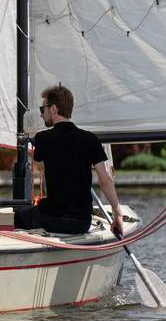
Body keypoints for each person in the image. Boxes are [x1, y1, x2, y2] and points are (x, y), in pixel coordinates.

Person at [14, 85, 124, 235]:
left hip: (52, 219)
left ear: (53, 109)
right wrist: (117, 213)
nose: (41, 114)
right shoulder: (90, 139)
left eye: (42, 109)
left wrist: (37, 145)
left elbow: (39, 166)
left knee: (20, 216)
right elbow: (105, 180)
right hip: (81, 223)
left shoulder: (42, 138)